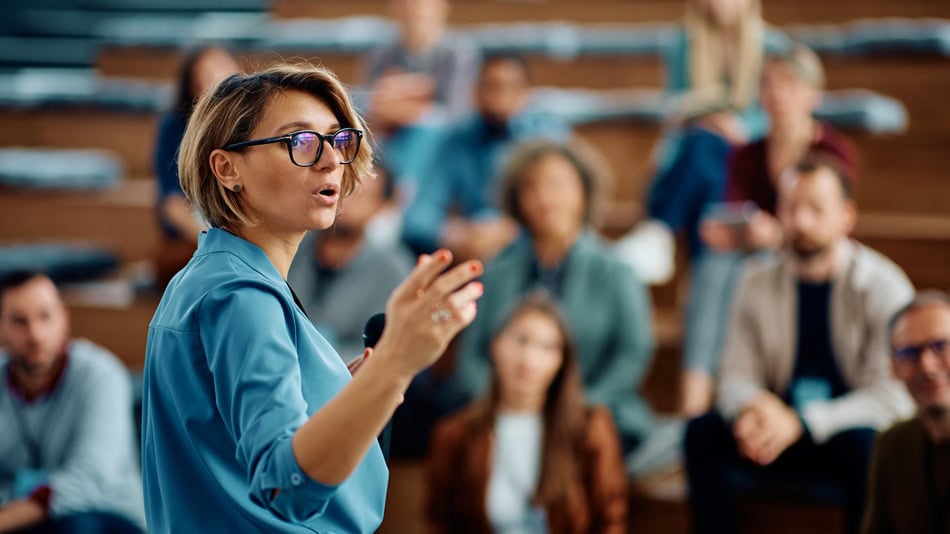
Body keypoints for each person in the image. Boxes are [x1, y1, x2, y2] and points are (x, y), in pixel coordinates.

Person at [140, 64, 485, 533]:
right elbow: (288, 485)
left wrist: (346, 390)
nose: (329, 162)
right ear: (228, 169)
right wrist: (395, 364)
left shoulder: (212, 275)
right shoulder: (241, 295)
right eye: (299, 142)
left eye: (338, 141)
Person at [684, 158, 915, 534]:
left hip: (839, 433)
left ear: (846, 215)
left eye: (816, 209)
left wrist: (803, 422)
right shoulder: (753, 279)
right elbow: (734, 375)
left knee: (869, 446)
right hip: (773, 433)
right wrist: (752, 409)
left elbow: (891, 397)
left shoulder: (883, 286)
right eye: (792, 208)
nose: (802, 222)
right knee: (702, 433)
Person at [680, 45, 858, 415]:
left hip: (808, 250)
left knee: (741, 268)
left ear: (813, 94)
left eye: (788, 85)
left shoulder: (833, 150)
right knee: (715, 264)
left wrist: (777, 233)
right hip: (755, 252)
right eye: (768, 85)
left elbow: (829, 221)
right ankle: (695, 396)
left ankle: (719, 394)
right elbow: (737, 211)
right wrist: (726, 230)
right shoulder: (748, 153)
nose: (776, 94)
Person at [456, 140, 655, 455]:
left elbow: (632, 355)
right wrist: (504, 405)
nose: (545, 197)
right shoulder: (497, 272)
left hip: (591, 412)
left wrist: (576, 407)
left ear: (584, 192)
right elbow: (471, 357)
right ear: (517, 200)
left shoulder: (617, 271)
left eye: (558, 184)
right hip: (502, 415)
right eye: (531, 187)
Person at [427, 293, 627, 533]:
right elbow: (438, 524)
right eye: (521, 340)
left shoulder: (590, 427)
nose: (529, 358)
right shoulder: (455, 434)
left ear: (561, 361)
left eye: (547, 347)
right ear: (495, 345)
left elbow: (610, 520)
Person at [0, 271, 144, 533]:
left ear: (63, 318)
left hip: (105, 512)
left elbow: (91, 478)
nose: (35, 334)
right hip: (26, 516)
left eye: (45, 316)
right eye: (20, 321)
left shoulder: (102, 375)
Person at [646, 0, 789, 260]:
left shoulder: (771, 46)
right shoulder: (683, 42)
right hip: (696, 147)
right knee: (707, 154)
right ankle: (701, 255)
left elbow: (777, 112)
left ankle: (662, 228)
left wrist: (739, 127)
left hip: (746, 151)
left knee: (708, 160)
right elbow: (674, 108)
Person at [402, 53, 570, 261]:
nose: (499, 96)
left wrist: (510, 229)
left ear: (526, 94)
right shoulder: (457, 141)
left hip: (530, 249)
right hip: (471, 250)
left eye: (510, 87)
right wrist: (454, 233)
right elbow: (419, 216)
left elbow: (563, 209)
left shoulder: (545, 140)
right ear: (474, 92)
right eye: (490, 86)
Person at [288, 168, 413, 359]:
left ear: (380, 206)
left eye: (360, 195)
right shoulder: (291, 244)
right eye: (341, 189)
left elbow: (381, 351)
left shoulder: (391, 270)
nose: (345, 201)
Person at [364, 0, 481, 192]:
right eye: (407, 4)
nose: (414, 11)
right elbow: (373, 110)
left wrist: (399, 100)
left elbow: (454, 116)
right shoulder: (382, 54)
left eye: (422, 4)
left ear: (442, 8)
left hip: (441, 144)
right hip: (392, 138)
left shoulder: (458, 53)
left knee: (431, 127)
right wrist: (421, 93)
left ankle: (403, 196)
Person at [152, 45, 241, 288]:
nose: (222, 79)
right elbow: (171, 205)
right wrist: (217, 240)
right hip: (198, 236)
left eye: (225, 68)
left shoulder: (250, 122)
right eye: (209, 74)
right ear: (193, 89)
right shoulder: (175, 128)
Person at [863, 291, 950, 534]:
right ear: (893, 368)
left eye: (941, 346)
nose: (926, 365)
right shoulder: (892, 445)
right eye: (908, 354)